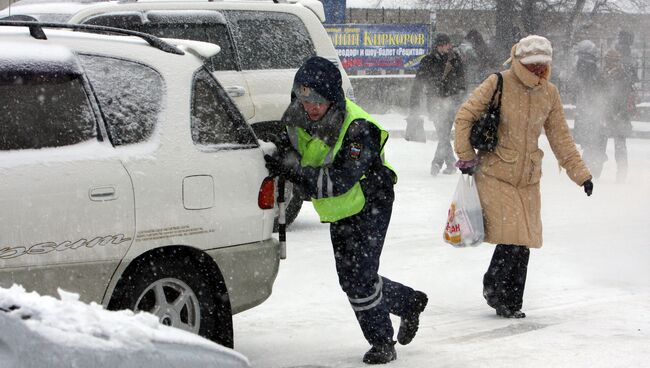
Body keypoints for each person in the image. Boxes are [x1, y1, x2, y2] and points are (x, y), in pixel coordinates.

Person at [264, 56, 428, 364]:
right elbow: (290, 149)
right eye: (303, 98)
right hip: (341, 208)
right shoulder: (297, 118)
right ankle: (408, 302)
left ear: (333, 99)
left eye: (317, 101)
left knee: (360, 279)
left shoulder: (357, 128)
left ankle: (382, 342)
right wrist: (279, 154)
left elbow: (338, 180)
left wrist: (294, 172)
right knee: (350, 278)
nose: (310, 107)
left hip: (371, 202)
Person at [453, 35, 593, 318]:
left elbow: (561, 138)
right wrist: (466, 155)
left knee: (524, 239)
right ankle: (497, 292)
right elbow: (464, 117)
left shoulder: (549, 93)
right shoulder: (498, 82)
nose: (539, 71)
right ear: (520, 62)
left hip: (528, 176)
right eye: (533, 65)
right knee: (513, 236)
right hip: (496, 172)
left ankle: (511, 301)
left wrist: (581, 174)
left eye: (543, 65)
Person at [409, 32, 466, 176]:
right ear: (439, 46)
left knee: (444, 133)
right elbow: (418, 84)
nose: (449, 46)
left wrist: (458, 95)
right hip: (434, 103)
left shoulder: (455, 60)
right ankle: (450, 163)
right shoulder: (428, 61)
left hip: (450, 102)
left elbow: (462, 81)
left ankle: (436, 163)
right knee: (443, 134)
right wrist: (414, 105)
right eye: (446, 44)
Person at [572, 39, 608, 178]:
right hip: (593, 110)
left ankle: (588, 169)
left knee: (589, 142)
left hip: (586, 110)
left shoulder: (580, 69)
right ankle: (593, 170)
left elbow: (577, 88)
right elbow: (601, 89)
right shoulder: (593, 70)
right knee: (595, 142)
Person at [603, 49, 634, 182]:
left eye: (610, 61)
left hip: (619, 116)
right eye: (607, 61)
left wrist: (617, 113)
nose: (608, 63)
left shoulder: (622, 76)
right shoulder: (605, 74)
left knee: (620, 147)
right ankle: (595, 170)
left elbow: (623, 97)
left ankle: (621, 174)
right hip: (607, 114)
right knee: (599, 143)